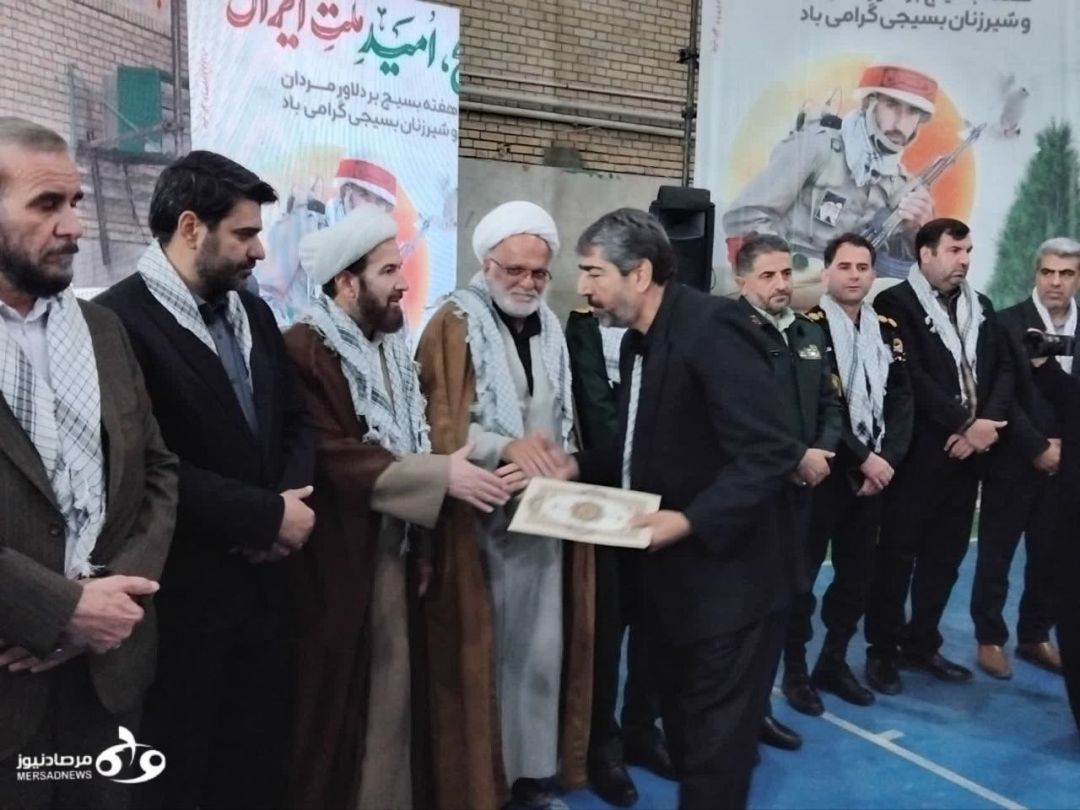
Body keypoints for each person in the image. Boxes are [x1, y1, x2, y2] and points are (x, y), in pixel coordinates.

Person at [96, 151, 316, 809]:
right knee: (180, 777)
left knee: (256, 770)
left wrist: (287, 506)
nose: (260, 251)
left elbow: (296, 422)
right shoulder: (115, 322)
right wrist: (263, 518)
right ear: (192, 227)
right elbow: (139, 465)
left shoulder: (254, 314)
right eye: (245, 234)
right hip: (183, 606)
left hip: (267, 595)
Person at [283, 204, 521, 809]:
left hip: (396, 545)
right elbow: (330, 455)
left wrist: (438, 498)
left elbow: (410, 437)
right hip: (340, 561)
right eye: (388, 271)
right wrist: (440, 475)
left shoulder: (389, 347)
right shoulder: (305, 349)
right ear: (346, 282)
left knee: (393, 701)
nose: (403, 283)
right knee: (346, 711)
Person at [567, 208, 802, 809]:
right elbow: (641, 446)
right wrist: (574, 465)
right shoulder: (638, 344)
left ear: (639, 273)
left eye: (593, 272)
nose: (583, 287)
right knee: (689, 737)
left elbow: (771, 450)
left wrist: (691, 519)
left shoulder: (712, 327)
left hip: (732, 592)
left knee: (714, 760)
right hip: (674, 590)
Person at [0, 117, 178, 810]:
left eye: (76, 202)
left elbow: (157, 471)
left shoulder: (103, 330)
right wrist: (58, 609)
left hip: (107, 674)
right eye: (47, 204)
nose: (74, 225)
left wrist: (108, 603)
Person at [416, 201, 594, 810]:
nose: (527, 283)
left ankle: (530, 774)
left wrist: (561, 460)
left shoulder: (550, 327)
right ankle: (481, 783)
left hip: (543, 521)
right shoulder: (453, 322)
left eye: (539, 272)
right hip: (479, 521)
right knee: (484, 657)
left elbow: (561, 417)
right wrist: (502, 447)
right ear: (487, 264)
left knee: (539, 653)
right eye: (514, 270)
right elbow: (436, 422)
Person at [865, 218, 1012, 694]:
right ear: (925, 254)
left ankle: (921, 643)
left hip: (968, 457)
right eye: (954, 251)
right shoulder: (894, 304)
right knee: (897, 557)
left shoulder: (980, 305)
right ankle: (881, 650)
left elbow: (1001, 372)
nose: (964, 261)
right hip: (917, 456)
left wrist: (982, 428)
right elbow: (910, 378)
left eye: (968, 251)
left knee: (945, 559)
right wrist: (965, 423)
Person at [789, 233, 913, 713]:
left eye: (863, 267)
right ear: (826, 272)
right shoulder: (807, 329)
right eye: (845, 266)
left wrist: (887, 461)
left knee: (857, 577)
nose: (855, 275)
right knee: (801, 580)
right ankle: (795, 671)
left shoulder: (886, 329)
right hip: (826, 474)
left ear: (874, 273)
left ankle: (833, 661)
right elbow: (822, 408)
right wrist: (863, 458)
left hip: (874, 476)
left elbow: (902, 399)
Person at [733, 234, 844, 738]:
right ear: (742, 281)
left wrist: (820, 452)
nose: (780, 284)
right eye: (767, 276)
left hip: (803, 492)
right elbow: (738, 417)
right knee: (745, 611)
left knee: (792, 596)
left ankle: (769, 700)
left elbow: (831, 403)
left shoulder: (807, 332)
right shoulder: (729, 336)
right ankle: (737, 716)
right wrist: (794, 458)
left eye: (785, 274)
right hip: (751, 497)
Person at [565, 307, 670, 807]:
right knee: (605, 632)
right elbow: (601, 417)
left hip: (662, 501)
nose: (590, 283)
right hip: (604, 501)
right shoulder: (581, 327)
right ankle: (601, 745)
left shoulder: (666, 330)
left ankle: (642, 729)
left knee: (656, 623)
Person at [723, 64, 938, 306]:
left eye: (912, 112)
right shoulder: (818, 146)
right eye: (891, 105)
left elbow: (903, 268)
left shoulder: (901, 184)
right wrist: (789, 268)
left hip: (845, 297)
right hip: (790, 285)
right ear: (870, 104)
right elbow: (743, 217)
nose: (900, 121)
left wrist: (914, 231)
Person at [971, 238, 1080, 678]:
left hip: (1068, 465)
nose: (1056, 282)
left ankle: (1034, 635)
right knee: (996, 553)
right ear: (1036, 274)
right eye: (1048, 272)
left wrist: (1065, 448)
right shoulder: (1005, 323)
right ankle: (989, 638)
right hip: (1014, 459)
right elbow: (1001, 395)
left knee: (1051, 555)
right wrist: (1037, 446)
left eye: (1066, 273)